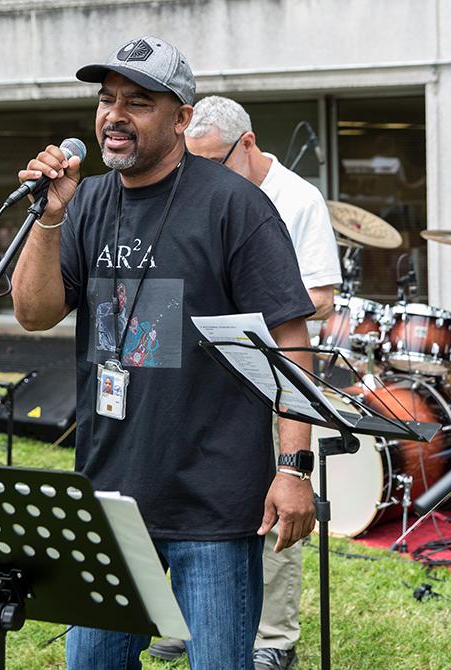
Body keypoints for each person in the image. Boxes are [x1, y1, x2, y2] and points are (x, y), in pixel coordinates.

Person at [11, 36, 317, 670]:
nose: (115, 115)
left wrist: (293, 469)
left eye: (138, 102)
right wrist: (49, 218)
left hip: (212, 497)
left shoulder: (235, 205)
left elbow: (290, 341)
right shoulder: (85, 202)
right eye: (107, 100)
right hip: (108, 492)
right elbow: (34, 313)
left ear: (181, 118)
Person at [140, 97, 339, 670]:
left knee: (269, 503)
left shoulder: (299, 198)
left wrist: (250, 302)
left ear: (247, 144)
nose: (197, 172)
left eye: (211, 161)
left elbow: (321, 296)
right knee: (188, 501)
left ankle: (273, 637)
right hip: (201, 374)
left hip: (267, 373)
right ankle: (184, 622)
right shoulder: (192, 189)